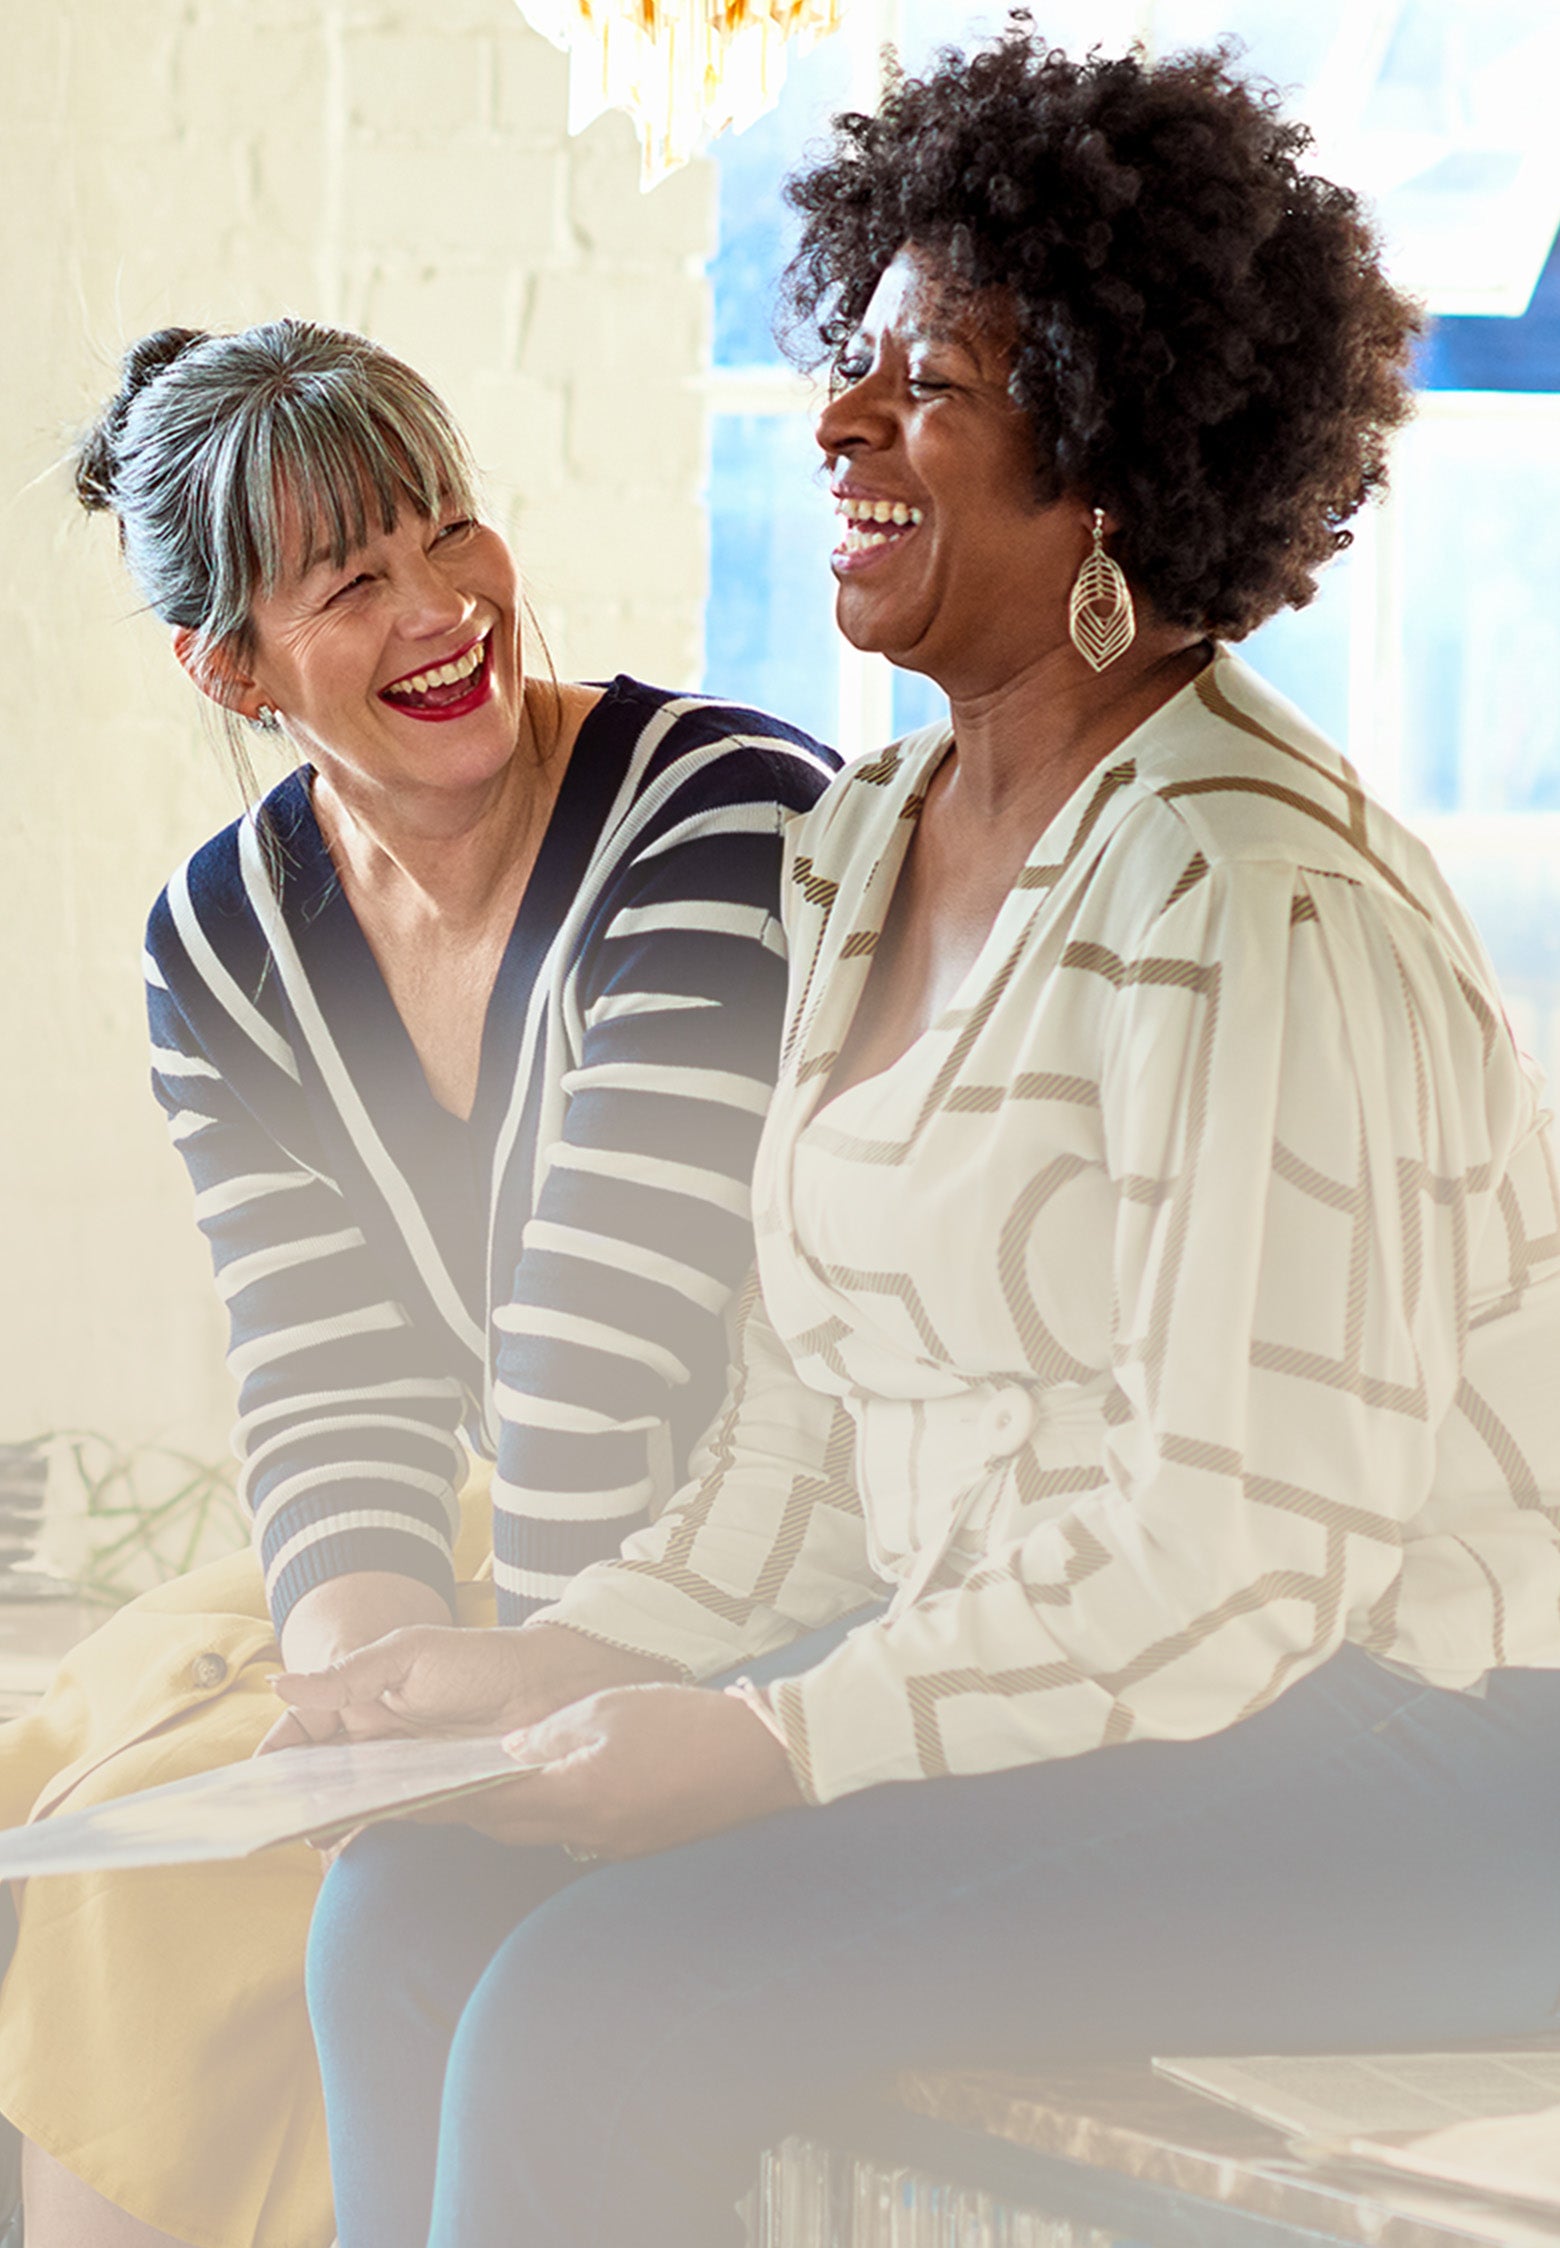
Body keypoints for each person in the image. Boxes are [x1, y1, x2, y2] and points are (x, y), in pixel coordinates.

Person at [288, 31, 1560, 2248]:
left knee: (605, 2001)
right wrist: (573, 1657)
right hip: (1143, 1700)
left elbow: (1239, 1559)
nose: (842, 422)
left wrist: (779, 1742)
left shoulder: (1254, 894)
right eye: (851, 363)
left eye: (930, 383)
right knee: (409, 1895)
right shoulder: (868, 841)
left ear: (1111, 460)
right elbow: (808, 1435)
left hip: (1426, 1753)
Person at [0, 319, 836, 2248]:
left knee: (336, 1903)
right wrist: (360, 1697)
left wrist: (472, 1739)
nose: (445, 608)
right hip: (522, 1571)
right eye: (352, 580)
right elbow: (326, 1376)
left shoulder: (720, 810)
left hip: (772, 1568)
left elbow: (603, 1353)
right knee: (121, 1840)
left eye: (449, 530)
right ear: (229, 665)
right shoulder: (220, 939)